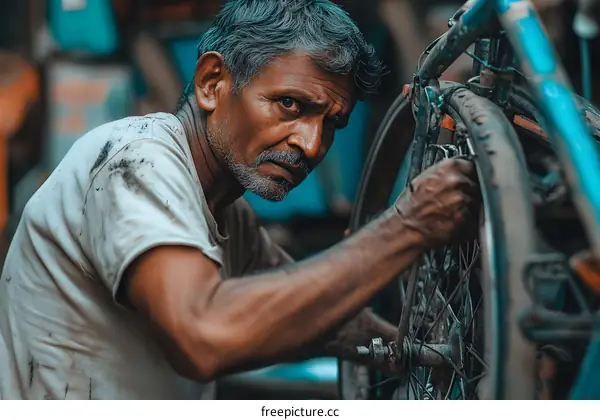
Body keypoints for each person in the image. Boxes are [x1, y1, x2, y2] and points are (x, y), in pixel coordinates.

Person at [0, 0, 478, 400]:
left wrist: (403, 348)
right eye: (291, 105)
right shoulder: (137, 162)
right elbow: (203, 335)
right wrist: (407, 227)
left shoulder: (229, 215)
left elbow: (309, 311)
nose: (311, 144)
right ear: (212, 83)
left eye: (331, 123)